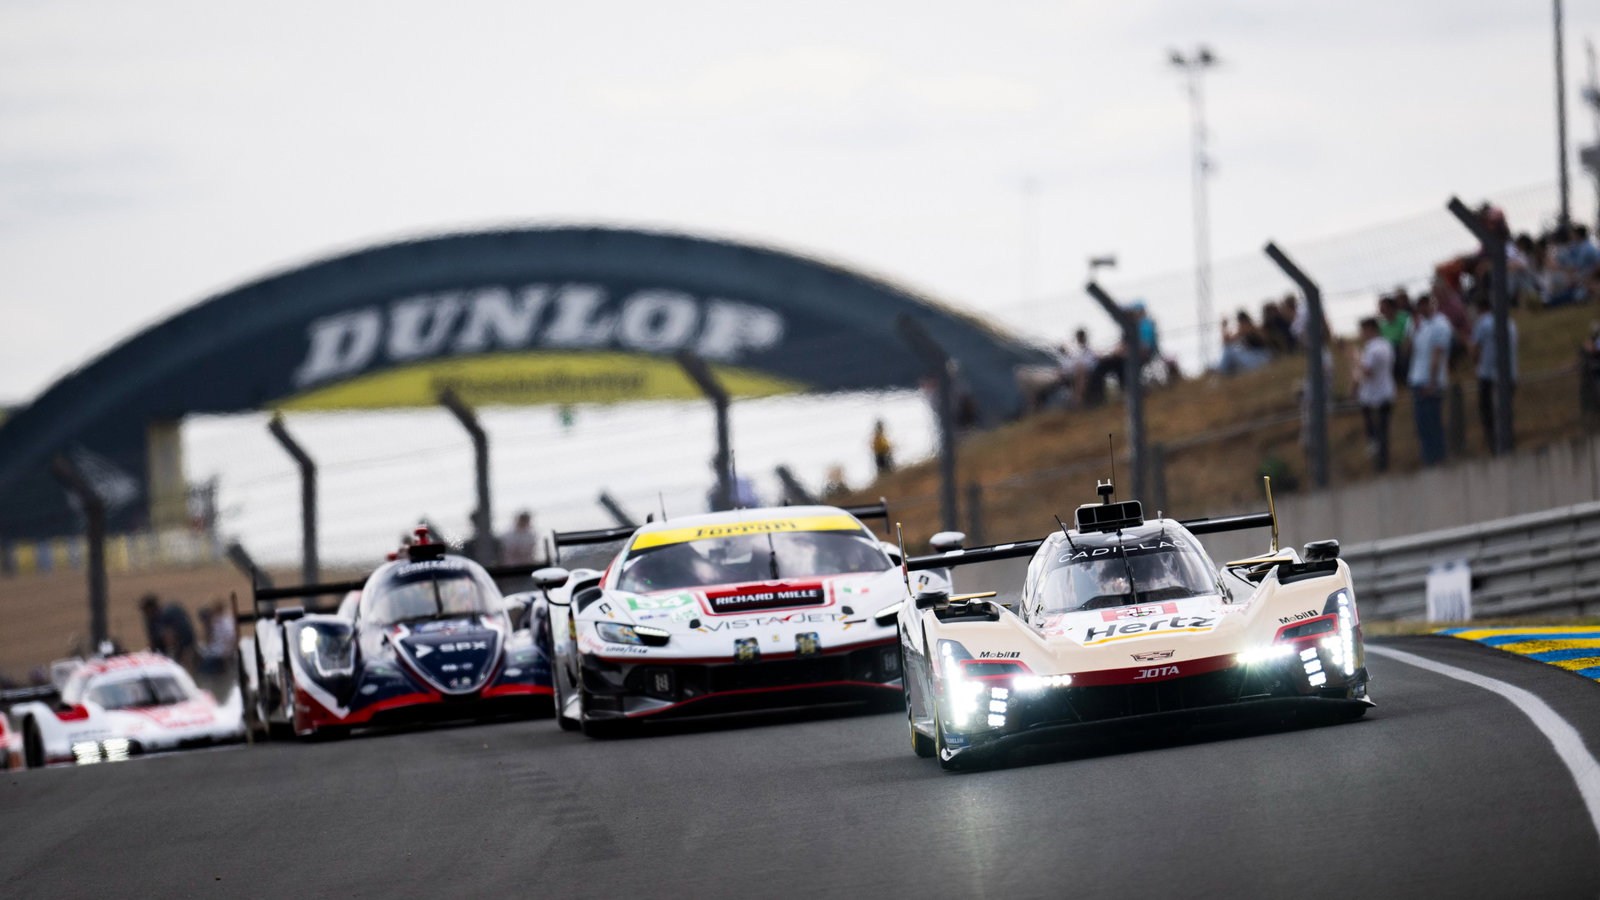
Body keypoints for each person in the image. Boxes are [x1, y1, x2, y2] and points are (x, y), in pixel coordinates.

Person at [1407, 292, 1453, 467]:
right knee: (1422, 426)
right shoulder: (1417, 325)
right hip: (1417, 379)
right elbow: (1406, 351)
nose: (1423, 308)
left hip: (1431, 381)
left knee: (1433, 423)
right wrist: (1412, 332)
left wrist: (1432, 382)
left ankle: (1438, 460)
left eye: (1426, 304)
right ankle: (1429, 460)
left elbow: (1437, 355)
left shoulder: (1441, 325)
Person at [1469, 296, 1518, 455]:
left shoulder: (1483, 323)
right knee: (1505, 414)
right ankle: (1508, 445)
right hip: (1510, 375)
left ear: (1479, 309)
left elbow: (1475, 351)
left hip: (1489, 377)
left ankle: (1496, 449)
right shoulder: (1509, 322)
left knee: (1490, 416)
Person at [1351, 317, 1396, 472]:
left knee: (1375, 433)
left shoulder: (1372, 348)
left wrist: (1355, 358)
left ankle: (1380, 464)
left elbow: (1367, 371)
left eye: (1362, 330)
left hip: (1373, 396)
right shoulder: (1386, 345)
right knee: (1382, 431)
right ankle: (1381, 462)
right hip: (1386, 391)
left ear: (1370, 329)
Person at [139, 594, 197, 668]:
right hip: (165, 650)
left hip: (184, 646)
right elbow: (152, 640)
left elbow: (169, 637)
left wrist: (171, 654)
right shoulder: (151, 620)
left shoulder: (166, 614)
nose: (145, 614)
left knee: (184, 665)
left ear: (152, 608)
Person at [1217, 310, 1272, 375]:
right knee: (1230, 351)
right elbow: (1226, 343)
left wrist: (1224, 327)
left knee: (1230, 352)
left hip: (1262, 357)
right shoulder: (1248, 329)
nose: (1239, 324)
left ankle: (1221, 370)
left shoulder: (1252, 328)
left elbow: (1227, 343)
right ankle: (1221, 369)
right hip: (1256, 357)